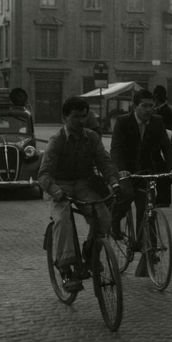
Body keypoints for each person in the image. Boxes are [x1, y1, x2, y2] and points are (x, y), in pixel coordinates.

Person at [37, 96, 121, 292]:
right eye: (76, 117)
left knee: (103, 216)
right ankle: (66, 269)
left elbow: (104, 162)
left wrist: (114, 182)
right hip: (61, 187)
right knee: (63, 219)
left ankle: (91, 253)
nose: (81, 121)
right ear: (65, 118)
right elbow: (43, 174)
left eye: (84, 116)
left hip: (84, 185)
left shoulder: (92, 137)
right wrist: (55, 191)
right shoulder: (56, 141)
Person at [110, 89, 172, 275]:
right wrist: (120, 169)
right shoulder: (123, 122)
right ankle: (115, 223)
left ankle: (145, 249)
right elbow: (115, 149)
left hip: (147, 171)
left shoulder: (157, 122)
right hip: (126, 171)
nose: (149, 110)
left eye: (151, 106)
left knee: (147, 208)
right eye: (145, 106)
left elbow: (167, 147)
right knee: (127, 194)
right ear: (135, 107)